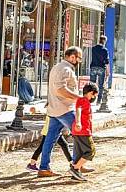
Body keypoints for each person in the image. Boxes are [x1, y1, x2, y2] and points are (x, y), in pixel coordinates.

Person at [38, 46, 82, 177]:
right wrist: (79, 98)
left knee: (50, 140)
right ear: (72, 57)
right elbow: (60, 89)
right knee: (80, 135)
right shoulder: (66, 69)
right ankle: (77, 165)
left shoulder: (57, 67)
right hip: (65, 109)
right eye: (79, 58)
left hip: (54, 109)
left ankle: (44, 168)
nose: (79, 60)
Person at [69, 82, 98, 181]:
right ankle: (75, 168)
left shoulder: (84, 101)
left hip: (79, 131)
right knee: (91, 151)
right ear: (91, 92)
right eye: (94, 95)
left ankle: (76, 173)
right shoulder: (83, 101)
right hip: (82, 131)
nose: (94, 97)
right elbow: (78, 110)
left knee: (79, 152)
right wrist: (78, 122)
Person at [90, 35, 109, 104]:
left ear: (99, 40)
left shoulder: (93, 48)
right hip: (101, 68)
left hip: (93, 67)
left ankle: (91, 99)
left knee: (92, 85)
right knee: (100, 86)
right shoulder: (105, 50)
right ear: (104, 42)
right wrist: (108, 71)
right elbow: (107, 62)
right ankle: (98, 101)